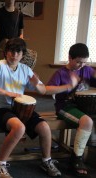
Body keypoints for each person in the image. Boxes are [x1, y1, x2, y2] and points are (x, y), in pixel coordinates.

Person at [0, 38, 61, 178]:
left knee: (45, 128)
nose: (14, 55)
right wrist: (5, 92)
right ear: (6, 53)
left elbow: (42, 91)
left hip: (21, 108)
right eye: (11, 51)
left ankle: (46, 161)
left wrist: (36, 83)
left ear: (22, 55)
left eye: (18, 52)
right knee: (19, 128)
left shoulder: (25, 69)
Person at [45, 43, 94, 177]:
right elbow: (47, 90)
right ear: (70, 58)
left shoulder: (87, 70)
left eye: (84, 62)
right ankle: (75, 159)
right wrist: (68, 85)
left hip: (82, 107)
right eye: (78, 62)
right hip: (64, 107)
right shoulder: (60, 73)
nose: (81, 65)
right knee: (87, 122)